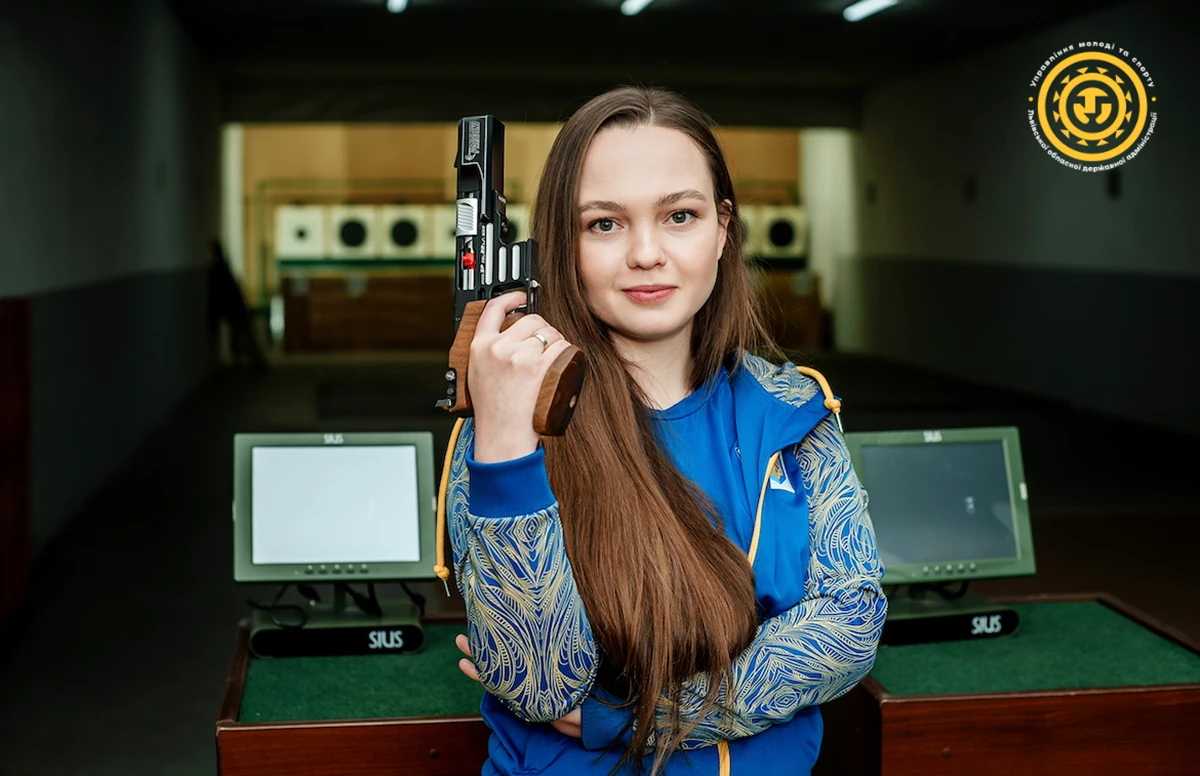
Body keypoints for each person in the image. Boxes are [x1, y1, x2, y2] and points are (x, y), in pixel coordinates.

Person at [433, 86, 886, 776]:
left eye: (679, 215)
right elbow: (538, 685)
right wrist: (503, 434)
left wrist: (633, 718)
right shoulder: (507, 426)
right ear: (561, 243)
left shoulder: (792, 407)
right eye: (604, 224)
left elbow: (851, 626)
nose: (646, 253)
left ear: (722, 228)